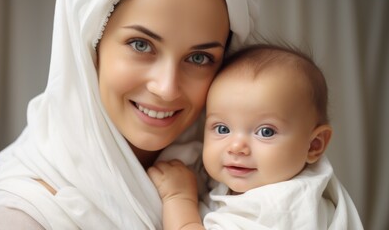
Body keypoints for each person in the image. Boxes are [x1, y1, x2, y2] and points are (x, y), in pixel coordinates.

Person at [0, 0, 258, 229]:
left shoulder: (243, 179)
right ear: (89, 46)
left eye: (199, 58)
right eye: (141, 45)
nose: (167, 88)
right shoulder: (23, 215)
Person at [148, 44, 364, 229]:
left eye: (266, 132)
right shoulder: (264, 182)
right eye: (222, 129)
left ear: (314, 145)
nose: (236, 147)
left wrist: (178, 197)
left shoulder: (281, 206)